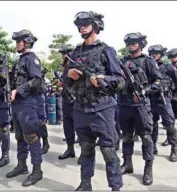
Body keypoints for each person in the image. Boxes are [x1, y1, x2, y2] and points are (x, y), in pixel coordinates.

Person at [64, 11, 124, 191]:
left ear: (95, 26)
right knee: (85, 148)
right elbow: (65, 80)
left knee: (108, 150)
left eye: (85, 24)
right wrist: (68, 74)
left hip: (102, 108)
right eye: (79, 25)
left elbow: (120, 81)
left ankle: (115, 187)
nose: (81, 28)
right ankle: (85, 184)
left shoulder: (107, 51)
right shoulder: (75, 52)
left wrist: (101, 78)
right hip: (80, 107)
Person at [119, 33, 162, 186]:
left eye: (134, 42)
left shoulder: (148, 61)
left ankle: (148, 169)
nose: (131, 45)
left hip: (142, 105)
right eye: (129, 42)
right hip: (125, 104)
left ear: (140, 44)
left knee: (146, 137)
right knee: (127, 136)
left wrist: (145, 91)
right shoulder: (122, 61)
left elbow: (158, 82)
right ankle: (127, 163)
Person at [5, 29, 44, 187]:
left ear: (26, 42)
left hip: (27, 103)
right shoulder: (19, 60)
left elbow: (36, 80)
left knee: (31, 137)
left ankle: (37, 171)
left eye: (18, 41)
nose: (16, 44)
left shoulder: (31, 59)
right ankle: (22, 166)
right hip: (17, 104)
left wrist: (17, 91)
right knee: (20, 137)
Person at [147, 44, 177, 161]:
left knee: (169, 125)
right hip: (150, 100)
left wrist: (173, 94)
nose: (153, 55)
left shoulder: (167, 67)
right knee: (151, 125)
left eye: (156, 53)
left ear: (161, 55)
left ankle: (174, 148)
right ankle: (153, 146)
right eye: (151, 53)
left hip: (164, 100)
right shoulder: (147, 65)